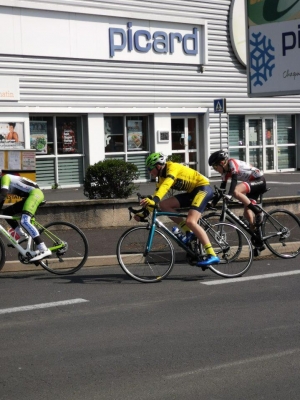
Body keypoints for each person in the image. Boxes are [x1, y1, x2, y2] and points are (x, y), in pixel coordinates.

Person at [140, 152, 220, 267]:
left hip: (203, 188)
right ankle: (188, 231)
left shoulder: (173, 167)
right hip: (192, 193)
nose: (149, 172)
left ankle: (212, 255)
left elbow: (166, 185)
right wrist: (143, 213)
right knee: (164, 205)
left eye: (150, 169)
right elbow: (157, 194)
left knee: (191, 221)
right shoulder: (160, 177)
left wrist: (155, 200)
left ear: (158, 166)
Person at [208, 150, 266, 229]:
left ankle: (258, 212)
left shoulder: (231, 163)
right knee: (247, 213)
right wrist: (213, 203)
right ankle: (257, 236)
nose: (215, 170)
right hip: (251, 184)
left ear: (221, 163)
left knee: (236, 191)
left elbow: (234, 180)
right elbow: (222, 189)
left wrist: (230, 195)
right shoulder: (224, 173)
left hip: (259, 180)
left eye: (215, 167)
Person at [0, 174, 51, 261]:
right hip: (29, 196)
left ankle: (43, 248)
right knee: (7, 212)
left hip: (35, 194)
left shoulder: (5, 178)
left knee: (25, 221)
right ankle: (22, 235)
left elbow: (3, 194)